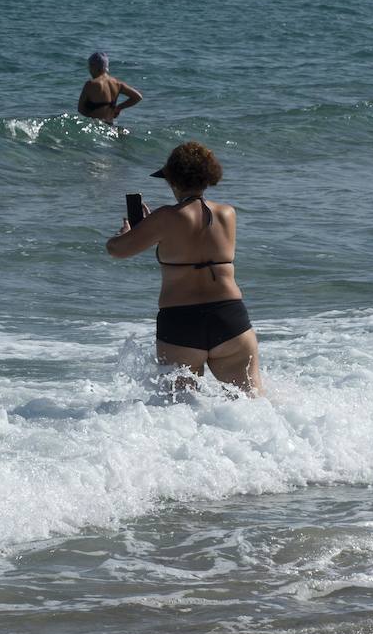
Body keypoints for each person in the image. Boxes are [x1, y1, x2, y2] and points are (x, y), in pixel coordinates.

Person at [105, 141, 262, 394]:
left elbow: (117, 250)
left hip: (181, 321)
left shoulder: (165, 217)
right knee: (252, 405)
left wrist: (130, 231)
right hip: (229, 318)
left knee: (179, 410)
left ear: (173, 181)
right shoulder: (228, 214)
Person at [77, 51, 142, 124]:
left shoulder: (91, 84)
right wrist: (119, 108)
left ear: (94, 66)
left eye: (90, 67)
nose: (89, 70)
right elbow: (138, 97)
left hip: (97, 126)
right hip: (111, 125)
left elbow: (80, 109)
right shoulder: (117, 83)